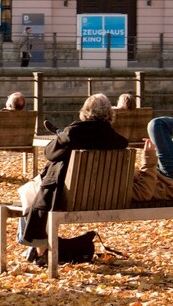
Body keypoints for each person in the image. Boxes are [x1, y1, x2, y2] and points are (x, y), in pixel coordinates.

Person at [19, 93, 129, 262]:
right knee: (34, 194)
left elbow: (49, 153)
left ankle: (38, 248)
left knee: (28, 191)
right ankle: (39, 249)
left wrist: (60, 136)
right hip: (104, 199)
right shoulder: (118, 141)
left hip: (66, 197)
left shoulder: (73, 133)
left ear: (85, 111)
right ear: (109, 114)